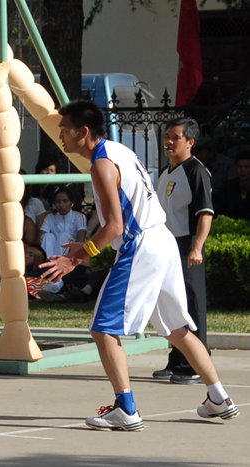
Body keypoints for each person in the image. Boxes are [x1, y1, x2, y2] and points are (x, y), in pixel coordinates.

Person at [42, 99, 240, 431]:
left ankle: (126, 409)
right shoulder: (118, 150)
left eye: (64, 129)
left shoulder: (101, 164)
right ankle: (219, 398)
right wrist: (86, 247)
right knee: (177, 329)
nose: (60, 135)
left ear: (83, 131)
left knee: (103, 329)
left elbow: (115, 226)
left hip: (142, 246)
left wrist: (74, 259)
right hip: (161, 240)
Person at [153, 118, 215, 384]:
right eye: (167, 136)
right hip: (165, 245)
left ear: (190, 142)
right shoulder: (165, 173)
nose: (168, 142)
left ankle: (196, 365)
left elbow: (205, 213)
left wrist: (197, 247)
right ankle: (177, 359)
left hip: (186, 244)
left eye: (175, 137)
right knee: (172, 302)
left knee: (192, 302)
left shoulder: (196, 171)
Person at [38, 187, 87, 257]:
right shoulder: (50, 217)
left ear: (72, 203)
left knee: (63, 235)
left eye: (65, 201)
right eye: (58, 202)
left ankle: (58, 260)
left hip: (72, 250)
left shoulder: (79, 217)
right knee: (47, 236)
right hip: (53, 249)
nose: (61, 205)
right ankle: (50, 260)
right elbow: (41, 237)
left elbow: (81, 240)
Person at [213, 151, 250, 221]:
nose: (243, 170)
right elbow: (216, 207)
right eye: (240, 167)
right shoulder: (227, 187)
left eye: (247, 167)